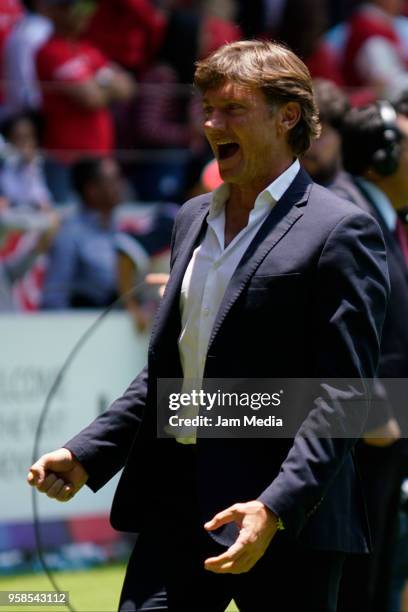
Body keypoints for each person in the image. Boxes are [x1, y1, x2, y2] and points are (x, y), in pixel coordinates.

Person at [28, 40, 389, 611]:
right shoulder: (192, 218)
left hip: (289, 518)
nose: (211, 124)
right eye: (206, 111)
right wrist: (90, 451)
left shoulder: (341, 229)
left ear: (287, 115)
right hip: (180, 500)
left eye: (232, 110)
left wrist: (274, 507)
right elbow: (169, 373)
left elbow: (342, 395)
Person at [332, 102, 408, 612]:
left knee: (382, 579)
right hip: (365, 433)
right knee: (359, 585)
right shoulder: (349, 214)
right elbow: (339, 328)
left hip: (389, 432)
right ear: (382, 157)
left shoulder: (383, 215)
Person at [41, 156, 122, 309]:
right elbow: (54, 298)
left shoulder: (121, 230)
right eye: (112, 181)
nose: (120, 186)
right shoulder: (69, 235)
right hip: (86, 322)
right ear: (91, 190)